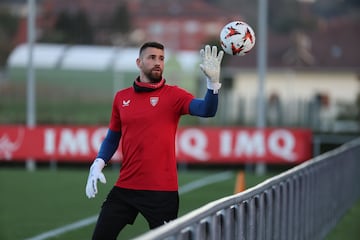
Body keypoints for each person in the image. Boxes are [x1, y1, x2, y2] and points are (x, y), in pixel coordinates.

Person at [85, 41, 224, 240]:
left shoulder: (174, 95)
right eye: (152, 58)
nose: (157, 62)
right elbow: (113, 136)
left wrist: (213, 85)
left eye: (161, 58)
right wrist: (98, 163)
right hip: (126, 187)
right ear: (139, 62)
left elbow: (207, 110)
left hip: (162, 192)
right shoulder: (121, 98)